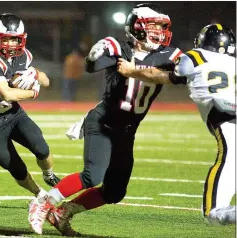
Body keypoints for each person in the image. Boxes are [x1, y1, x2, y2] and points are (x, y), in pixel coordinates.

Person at [28, 4, 183, 235]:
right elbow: (92, 66)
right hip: (104, 122)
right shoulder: (117, 47)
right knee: (93, 175)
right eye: (153, 27)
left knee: (115, 191)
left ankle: (63, 212)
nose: (159, 33)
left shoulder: (169, 55)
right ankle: (43, 203)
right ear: (137, 28)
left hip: (127, 130)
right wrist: (94, 54)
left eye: (161, 28)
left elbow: (182, 75)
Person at [117, 23, 236, 225]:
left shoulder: (195, 57)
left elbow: (163, 76)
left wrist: (132, 71)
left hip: (227, 117)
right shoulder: (233, 62)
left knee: (214, 212)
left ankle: (217, 210)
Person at [0, 13, 61, 204]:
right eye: (7, 39)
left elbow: (46, 81)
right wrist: (32, 93)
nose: (11, 45)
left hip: (14, 114)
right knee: (15, 167)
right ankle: (39, 194)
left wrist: (35, 74)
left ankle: (49, 174)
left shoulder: (25, 56)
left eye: (15, 40)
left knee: (41, 148)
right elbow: (7, 94)